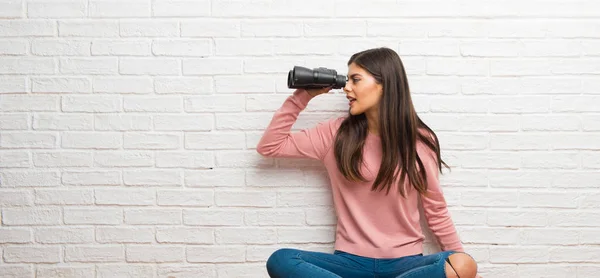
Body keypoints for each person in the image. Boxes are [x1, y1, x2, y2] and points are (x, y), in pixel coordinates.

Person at [256, 47, 481, 278]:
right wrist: (303, 96)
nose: (346, 88)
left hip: (406, 266)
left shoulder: (419, 141)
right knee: (281, 259)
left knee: (463, 264)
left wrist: (463, 267)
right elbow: (270, 146)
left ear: (384, 84)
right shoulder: (334, 134)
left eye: (355, 80)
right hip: (349, 264)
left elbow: (435, 209)